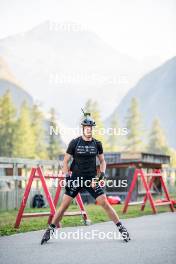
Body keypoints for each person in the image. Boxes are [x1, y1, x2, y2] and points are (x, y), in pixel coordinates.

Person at [41, 111, 130, 244]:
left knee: (104, 203)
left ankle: (121, 228)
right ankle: (50, 229)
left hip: (92, 180)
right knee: (64, 206)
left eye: (91, 128)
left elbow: (102, 161)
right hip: (75, 179)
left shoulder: (97, 144)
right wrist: (67, 177)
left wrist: (102, 175)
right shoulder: (74, 143)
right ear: (83, 128)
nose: (89, 130)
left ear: (93, 129)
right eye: (86, 127)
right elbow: (65, 161)